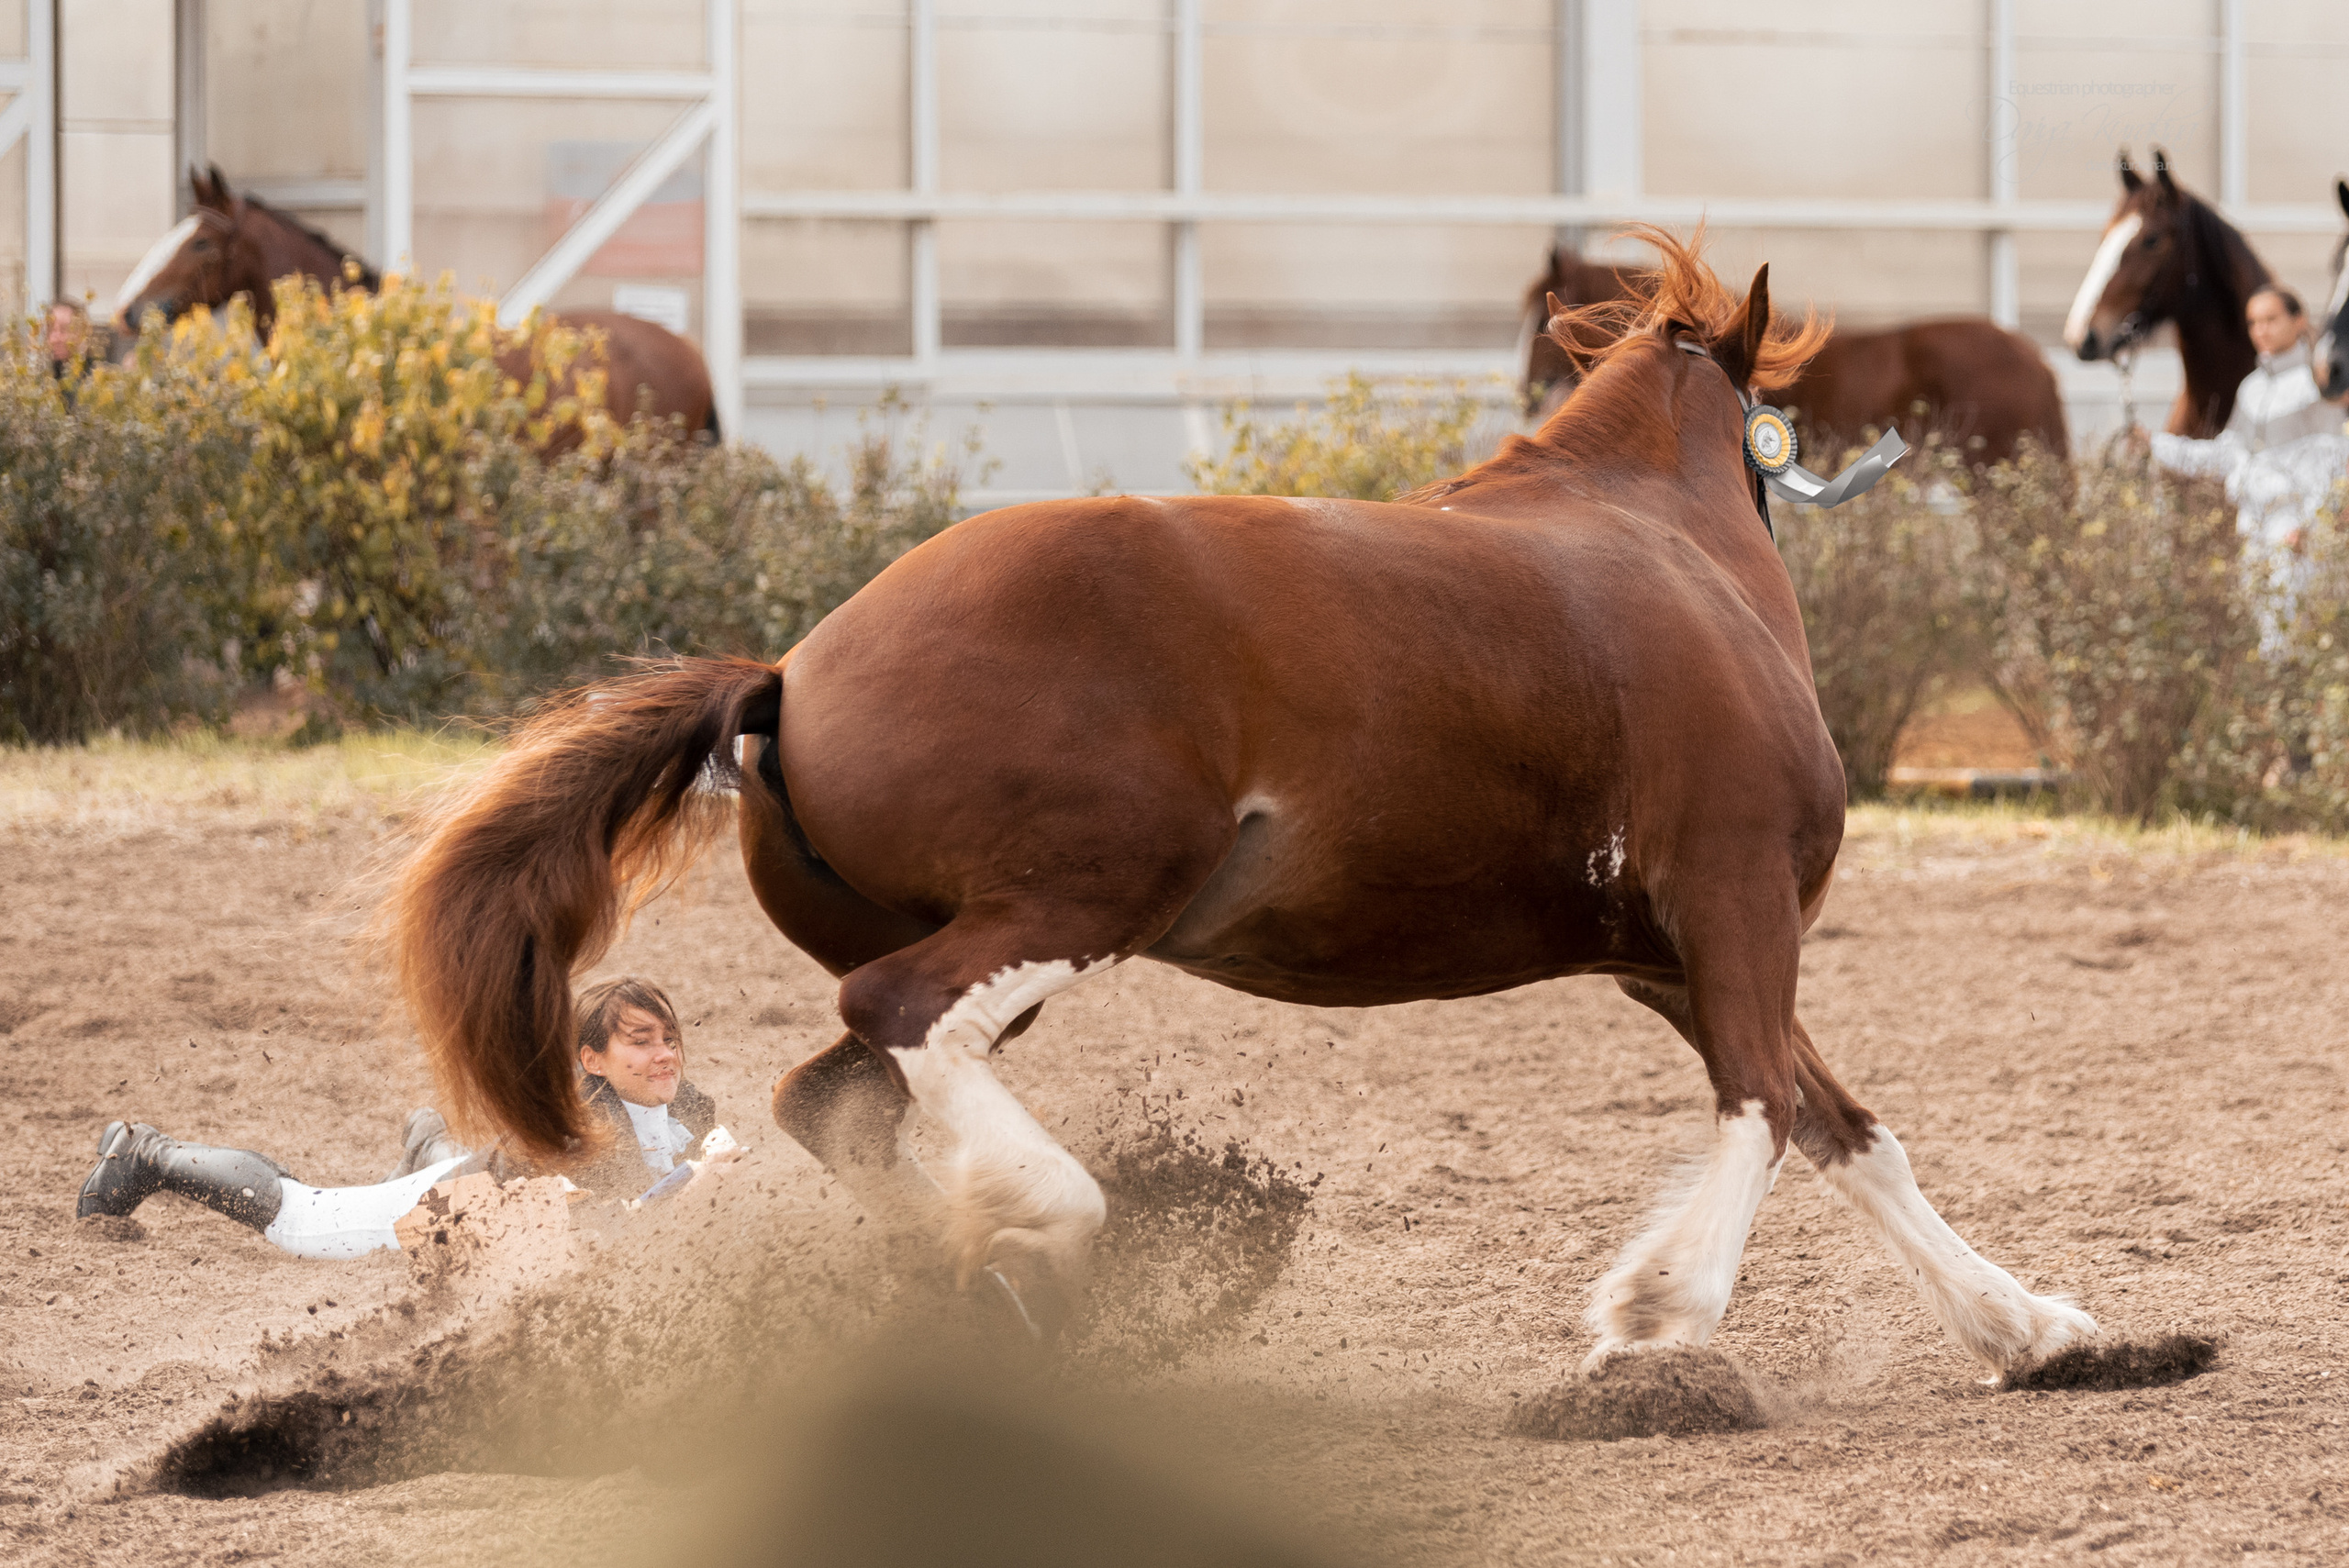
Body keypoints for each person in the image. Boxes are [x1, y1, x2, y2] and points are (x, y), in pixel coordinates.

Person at [74, 976, 729, 1261]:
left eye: (668, 1036)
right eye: (639, 1041)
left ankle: (428, 1143)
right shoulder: (575, 1127)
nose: (664, 1053)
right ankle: (147, 1152)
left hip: (474, 1185)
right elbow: (597, 1219)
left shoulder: (690, 1106)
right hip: (439, 1211)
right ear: (593, 1059)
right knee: (298, 1215)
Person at [2143, 285, 2349, 558]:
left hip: (2296, 538)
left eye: (2271, 320)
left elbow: (2335, 462)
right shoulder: (2251, 388)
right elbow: (2224, 455)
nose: (2261, 330)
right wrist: (2155, 445)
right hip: (2252, 531)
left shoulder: (2318, 387)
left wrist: (2311, 527)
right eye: (2253, 322)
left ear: (2298, 321)